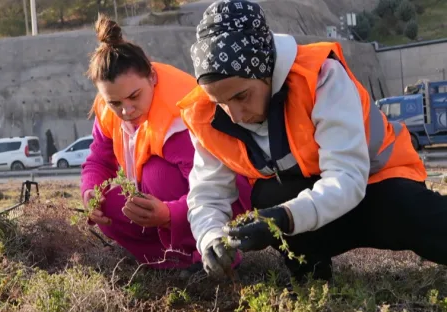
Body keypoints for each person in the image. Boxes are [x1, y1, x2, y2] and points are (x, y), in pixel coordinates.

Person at [178, 0, 447, 281]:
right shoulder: (204, 113)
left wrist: (283, 218)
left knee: (412, 211)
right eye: (220, 102)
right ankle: (312, 277)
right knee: (268, 196)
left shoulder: (322, 77)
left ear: (266, 68)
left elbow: (347, 176)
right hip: (314, 205)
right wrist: (209, 238)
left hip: (378, 184)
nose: (233, 115)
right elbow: (208, 194)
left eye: (241, 96)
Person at [81, 14, 253, 269]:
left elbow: (220, 189)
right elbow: (97, 159)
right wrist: (90, 191)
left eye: (134, 97)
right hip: (163, 207)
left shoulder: (182, 118)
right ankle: (166, 259)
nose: (126, 111)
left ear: (152, 77)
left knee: (156, 174)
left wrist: (169, 214)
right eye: (115, 103)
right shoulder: (108, 111)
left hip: (231, 199)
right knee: (107, 201)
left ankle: (207, 253)